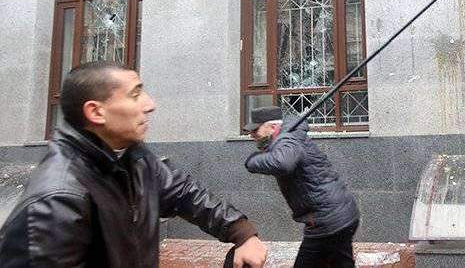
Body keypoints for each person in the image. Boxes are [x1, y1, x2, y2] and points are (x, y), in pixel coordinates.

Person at [0, 62, 268, 268]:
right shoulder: (56, 201)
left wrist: (242, 233)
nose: (150, 104)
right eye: (135, 94)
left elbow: (185, 193)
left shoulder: (134, 157)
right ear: (96, 112)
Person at [244, 106, 360, 268]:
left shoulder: (288, 139)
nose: (252, 135)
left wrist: (252, 161)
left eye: (256, 130)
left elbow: (282, 163)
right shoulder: (289, 137)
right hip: (341, 214)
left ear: (273, 127)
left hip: (326, 221)